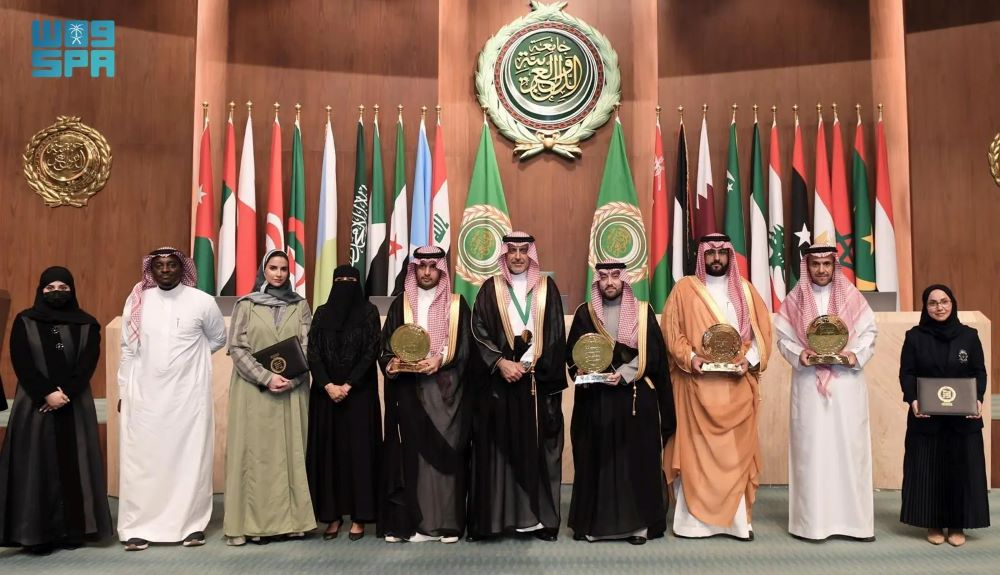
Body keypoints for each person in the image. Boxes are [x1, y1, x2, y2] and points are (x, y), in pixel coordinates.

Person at [660, 234, 772, 541]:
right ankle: (692, 524)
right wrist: (691, 358)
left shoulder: (746, 291)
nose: (717, 258)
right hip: (695, 390)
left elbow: (762, 334)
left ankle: (736, 524)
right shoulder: (684, 289)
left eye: (722, 252)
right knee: (696, 457)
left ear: (730, 255)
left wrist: (748, 361)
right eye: (710, 253)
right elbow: (671, 332)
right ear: (701, 256)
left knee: (734, 457)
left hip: (736, 388)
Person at [117, 247, 227, 551]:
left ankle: (191, 526)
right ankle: (137, 527)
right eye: (159, 265)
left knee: (189, 459)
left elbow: (218, 338)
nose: (165, 270)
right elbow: (128, 348)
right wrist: (123, 389)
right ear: (151, 270)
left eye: (172, 265)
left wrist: (189, 362)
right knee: (142, 461)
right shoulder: (138, 300)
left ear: (183, 269)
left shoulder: (202, 301)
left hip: (188, 398)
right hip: (145, 397)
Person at [0, 267, 113, 554]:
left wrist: (65, 394)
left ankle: (73, 531)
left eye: (63, 287)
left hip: (75, 404)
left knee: (75, 465)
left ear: (72, 290)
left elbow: (87, 364)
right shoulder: (25, 320)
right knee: (36, 465)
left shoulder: (88, 324)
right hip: (35, 403)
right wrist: (46, 393)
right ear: (41, 291)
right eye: (50, 288)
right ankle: (36, 534)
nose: (56, 293)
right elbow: (21, 361)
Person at [566, 261, 675, 545]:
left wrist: (625, 373)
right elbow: (572, 354)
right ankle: (594, 526)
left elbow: (654, 353)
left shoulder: (642, 312)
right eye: (603, 277)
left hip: (634, 399)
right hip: (597, 402)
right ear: (597, 281)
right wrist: (580, 369)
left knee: (634, 463)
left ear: (624, 280)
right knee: (597, 462)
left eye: (615, 276)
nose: (609, 282)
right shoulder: (585, 313)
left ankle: (637, 527)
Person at [775, 245, 877, 542]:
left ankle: (855, 524)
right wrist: (799, 354)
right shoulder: (795, 299)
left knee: (850, 449)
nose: (821, 270)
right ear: (807, 266)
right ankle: (811, 524)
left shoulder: (852, 296)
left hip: (846, 385)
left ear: (834, 265)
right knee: (811, 451)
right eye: (815, 264)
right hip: (809, 384)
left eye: (826, 264)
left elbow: (870, 334)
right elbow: (782, 338)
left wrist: (854, 355)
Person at [468, 232, 566, 542]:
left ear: (531, 254)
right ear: (505, 255)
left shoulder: (547, 288)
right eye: (512, 250)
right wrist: (500, 363)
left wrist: (534, 365)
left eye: (524, 250)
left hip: (537, 385)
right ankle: (499, 520)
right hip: (501, 386)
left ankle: (539, 521)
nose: (518, 256)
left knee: (538, 453)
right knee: (499, 452)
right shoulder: (490, 289)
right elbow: (477, 331)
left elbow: (556, 335)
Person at [379, 246, 472, 543]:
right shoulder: (401, 305)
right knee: (411, 456)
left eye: (433, 267)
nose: (427, 272)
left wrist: (440, 360)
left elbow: (466, 349)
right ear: (414, 269)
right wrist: (392, 363)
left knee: (446, 455)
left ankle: (446, 525)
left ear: (441, 270)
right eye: (421, 267)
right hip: (409, 392)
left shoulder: (457, 305)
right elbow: (385, 346)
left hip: (446, 394)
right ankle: (411, 524)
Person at [224, 249, 316, 545]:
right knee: (256, 457)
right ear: (263, 271)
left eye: (283, 269)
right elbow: (237, 347)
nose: (278, 273)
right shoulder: (246, 304)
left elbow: (308, 346)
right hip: (253, 392)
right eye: (273, 268)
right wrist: (266, 377)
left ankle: (293, 524)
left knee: (291, 455)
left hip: (292, 390)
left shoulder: (300, 305)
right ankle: (253, 526)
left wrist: (292, 378)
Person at [899, 284, 989, 546]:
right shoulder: (914, 337)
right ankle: (934, 523)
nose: (939, 307)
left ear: (953, 304)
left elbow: (979, 371)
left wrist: (978, 398)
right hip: (927, 418)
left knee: (962, 470)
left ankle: (958, 525)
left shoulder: (969, 336)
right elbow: (907, 372)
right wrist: (913, 399)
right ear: (925, 307)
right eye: (933, 302)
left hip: (962, 419)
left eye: (944, 301)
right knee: (929, 470)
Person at [307, 265, 381, 542]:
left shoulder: (369, 312)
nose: (345, 284)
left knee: (359, 456)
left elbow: (372, 350)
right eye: (340, 280)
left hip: (359, 395)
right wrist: (328, 385)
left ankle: (360, 517)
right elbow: (313, 351)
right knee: (329, 456)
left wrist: (348, 385)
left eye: (351, 280)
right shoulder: (321, 313)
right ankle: (332, 516)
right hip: (325, 396)